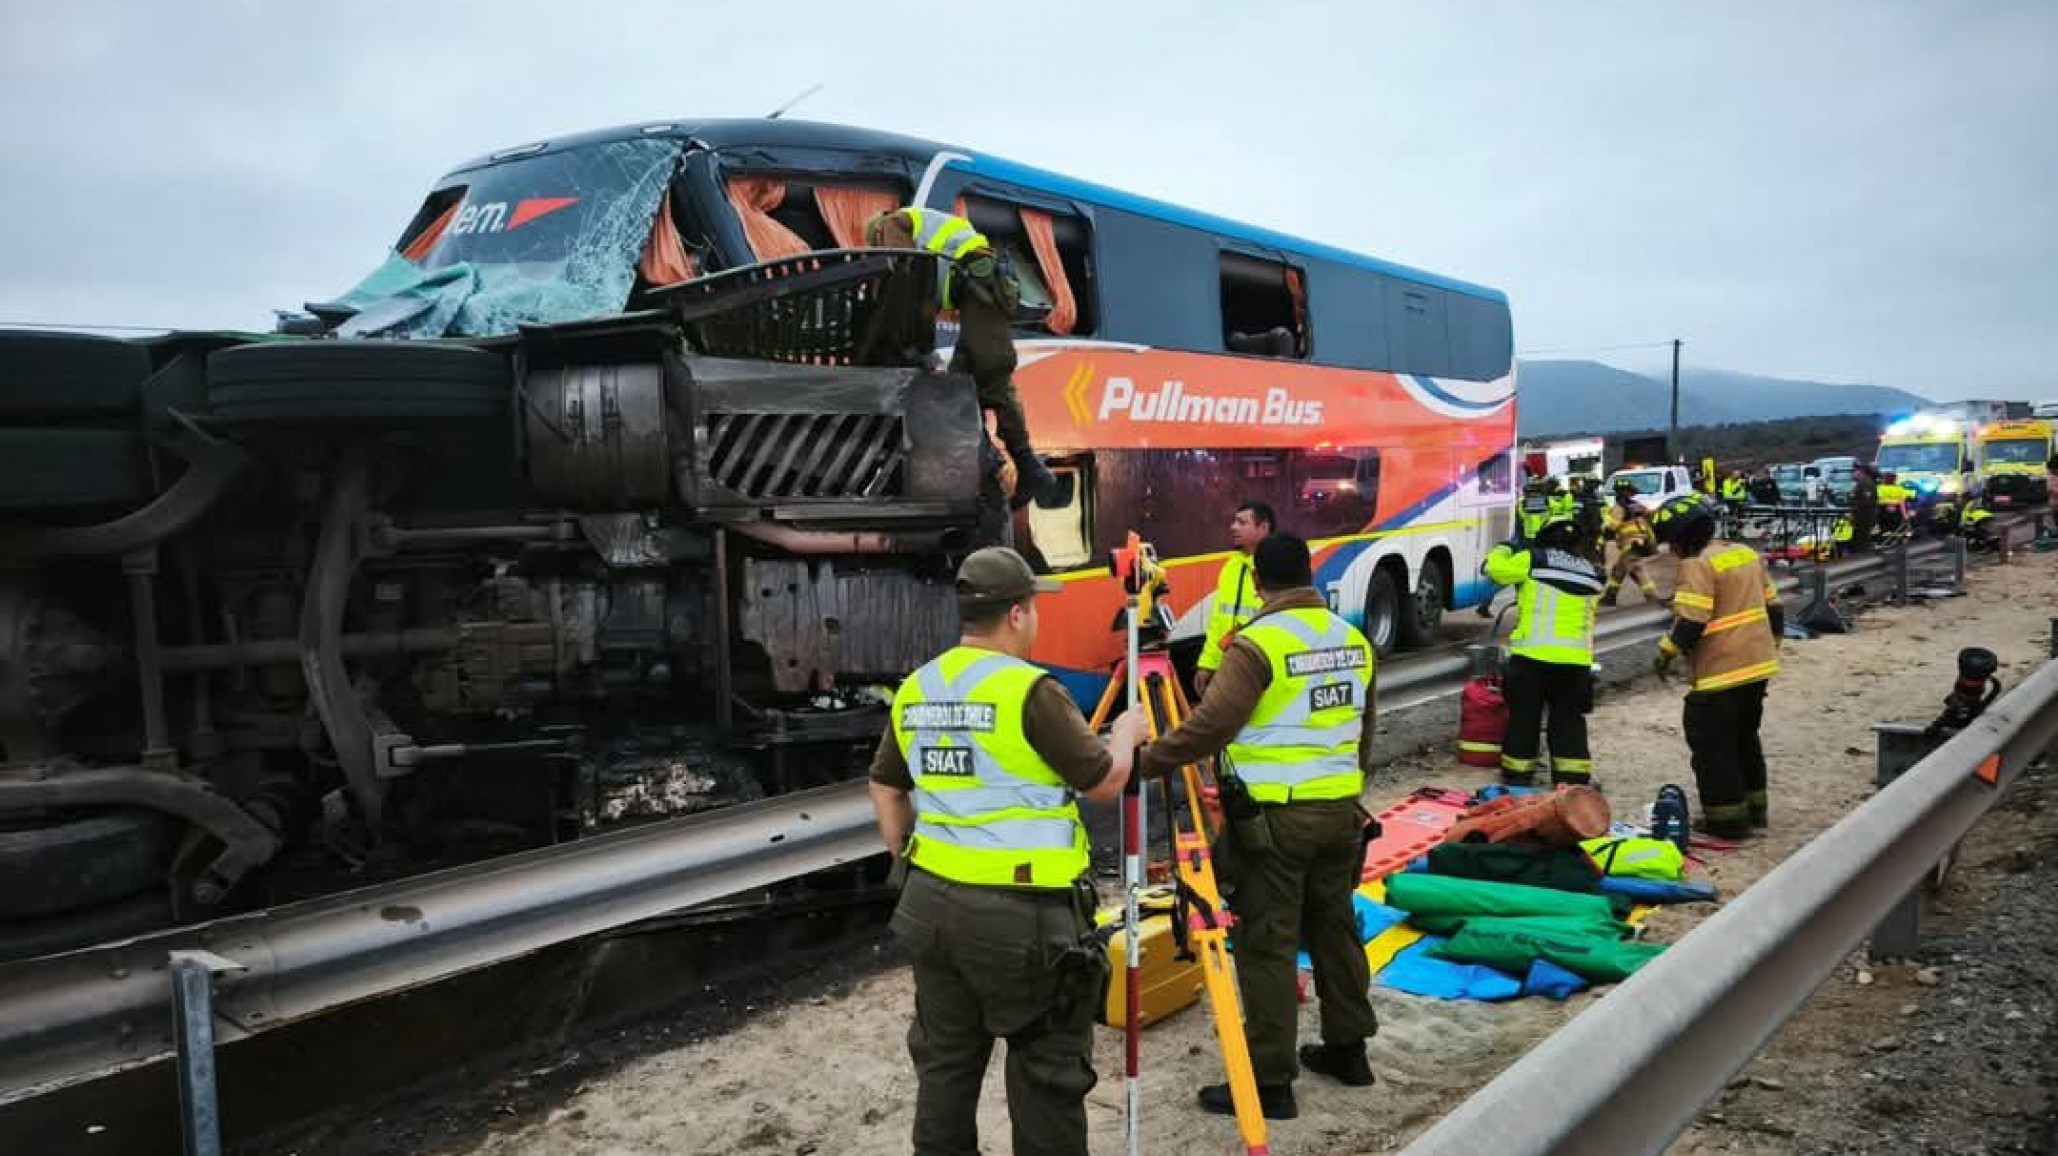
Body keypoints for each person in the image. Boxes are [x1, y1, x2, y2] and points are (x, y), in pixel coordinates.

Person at [870, 546, 1148, 1156]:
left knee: (944, 1065)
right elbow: (1103, 781)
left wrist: (906, 862)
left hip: (929, 906)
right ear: (1019, 613)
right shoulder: (1029, 689)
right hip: (1022, 920)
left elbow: (886, 786)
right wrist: (1125, 736)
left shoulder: (919, 686)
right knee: (1046, 1073)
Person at [1136, 533, 1379, 1121]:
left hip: (1275, 824)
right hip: (1340, 811)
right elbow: (1362, 729)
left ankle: (1270, 1082)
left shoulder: (1258, 644)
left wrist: (1146, 761)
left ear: (1259, 581)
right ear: (1308, 575)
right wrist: (1341, 789)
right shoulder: (1351, 639)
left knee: (1266, 944)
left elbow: (1211, 726)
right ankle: (1350, 1052)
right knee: (1334, 929)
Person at [866, 206, 1063, 507]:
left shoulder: (893, 223)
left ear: (878, 232)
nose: (877, 252)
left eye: (874, 245)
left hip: (981, 281)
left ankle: (1028, 465)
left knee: (992, 372)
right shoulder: (922, 230)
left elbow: (903, 269)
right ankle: (991, 467)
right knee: (960, 387)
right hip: (973, 286)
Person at [1649, 495, 1784, 839]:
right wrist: (1772, 648)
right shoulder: (1744, 553)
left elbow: (1692, 621)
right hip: (1757, 667)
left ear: (1682, 536)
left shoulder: (1696, 565)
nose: (1672, 549)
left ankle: (1727, 822)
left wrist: (1665, 652)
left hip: (1720, 672)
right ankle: (1756, 811)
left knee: (1712, 746)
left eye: (1671, 540)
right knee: (1745, 740)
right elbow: (1775, 609)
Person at [1483, 503, 1605, 785]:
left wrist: (1505, 547)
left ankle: (1518, 777)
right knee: (1569, 721)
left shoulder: (1533, 558)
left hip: (1531, 658)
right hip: (1575, 663)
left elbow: (1494, 570)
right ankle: (1571, 780)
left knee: (1524, 718)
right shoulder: (1591, 572)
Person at [1196, 501, 1275, 698]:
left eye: (1242, 522)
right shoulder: (1232, 567)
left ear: (1263, 528)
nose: (1233, 527)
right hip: (1231, 669)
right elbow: (1218, 624)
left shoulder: (1276, 567)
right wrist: (1207, 664)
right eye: (1234, 521)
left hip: (1261, 671)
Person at [1600, 481, 1662, 606]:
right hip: (1644, 541)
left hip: (1631, 543)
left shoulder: (1619, 507)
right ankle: (1610, 596)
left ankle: (1652, 597)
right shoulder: (1638, 505)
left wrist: (1604, 532)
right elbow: (1651, 517)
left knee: (1636, 569)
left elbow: (1612, 526)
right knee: (1619, 569)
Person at [1847, 463, 1878, 553]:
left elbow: (1865, 502)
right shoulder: (1862, 483)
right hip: (1861, 518)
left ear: (1860, 472)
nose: (1853, 474)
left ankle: (1864, 558)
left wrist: (1854, 513)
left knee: (1862, 541)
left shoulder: (1866, 483)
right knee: (1859, 541)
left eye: (1854, 471)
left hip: (1863, 518)